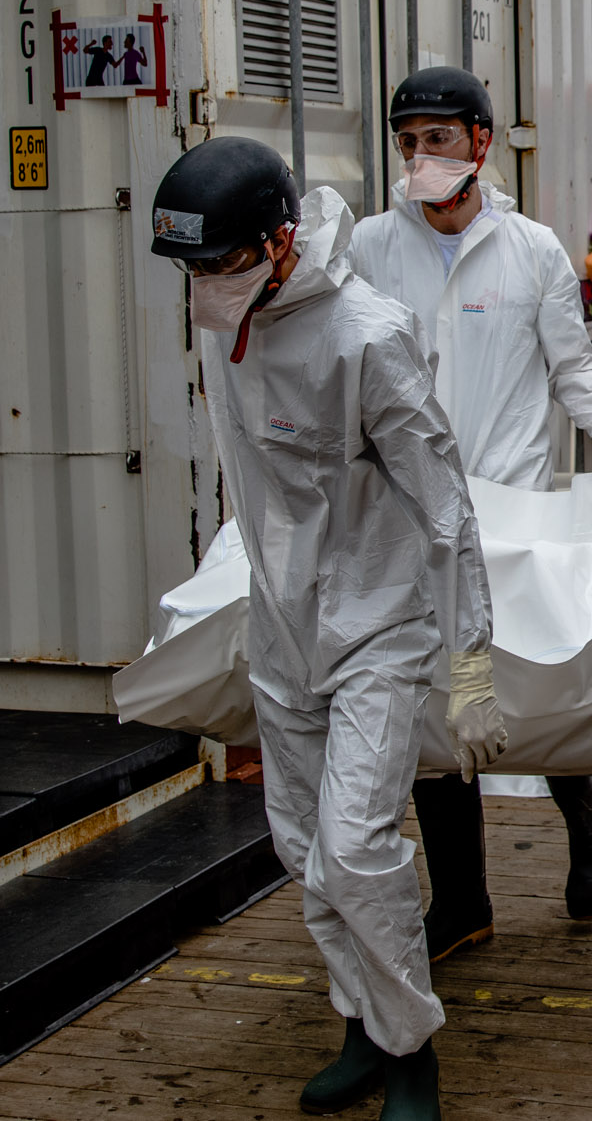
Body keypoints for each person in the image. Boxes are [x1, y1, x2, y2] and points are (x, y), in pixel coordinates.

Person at [148, 136, 502, 1121]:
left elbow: (445, 503)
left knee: (356, 848)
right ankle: (362, 1021)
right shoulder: (226, 324)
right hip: (283, 629)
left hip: (377, 630)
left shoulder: (366, 336)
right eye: (190, 271)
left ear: (278, 241)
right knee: (305, 849)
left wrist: (470, 659)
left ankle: (412, 1056)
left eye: (217, 266)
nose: (203, 288)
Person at [350, 66, 592, 944]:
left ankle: (587, 820)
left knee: (532, 684)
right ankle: (463, 902)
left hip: (510, 510)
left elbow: (571, 368)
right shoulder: (372, 247)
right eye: (407, 141)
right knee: (429, 700)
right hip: (406, 513)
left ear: (482, 143)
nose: (420, 157)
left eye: (438, 138)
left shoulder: (534, 250)